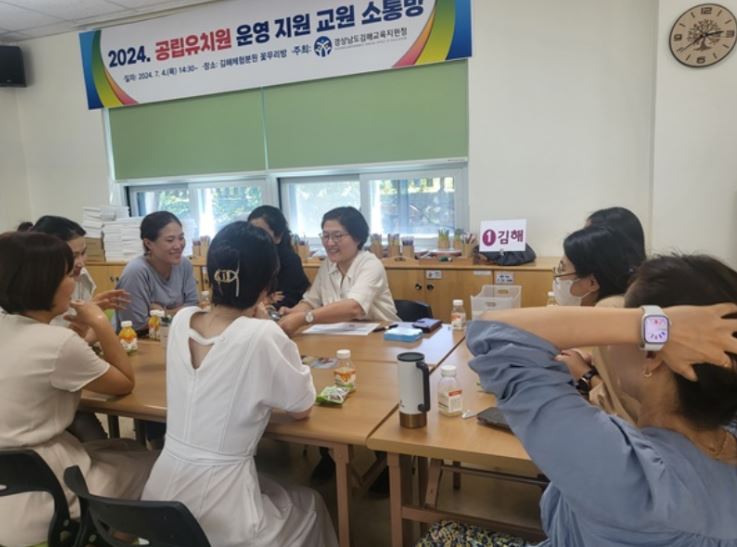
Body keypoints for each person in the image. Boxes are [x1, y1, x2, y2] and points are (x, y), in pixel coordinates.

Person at [468, 254, 737, 546]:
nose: (607, 344)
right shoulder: (724, 437)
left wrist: (656, 325)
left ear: (652, 353)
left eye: (632, 323)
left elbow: (494, 333)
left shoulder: (633, 474)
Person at [142, 222, 338, 547]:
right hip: (221, 509)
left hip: (159, 495)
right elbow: (301, 405)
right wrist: (263, 324)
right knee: (311, 505)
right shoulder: (262, 334)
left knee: (276, 489)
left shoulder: (180, 320)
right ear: (267, 286)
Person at [0, 231, 156, 547]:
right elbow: (124, 382)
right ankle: (110, 539)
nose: (75, 281)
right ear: (44, 283)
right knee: (156, 464)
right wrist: (100, 321)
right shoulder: (57, 343)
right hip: (43, 491)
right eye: (69, 274)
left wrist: (81, 329)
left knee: (126, 447)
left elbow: (56, 359)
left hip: (12, 479)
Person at [31, 215, 131, 441]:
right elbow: (123, 383)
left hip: (68, 374)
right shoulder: (39, 331)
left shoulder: (80, 278)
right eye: (72, 256)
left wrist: (89, 323)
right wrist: (98, 321)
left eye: (83, 253)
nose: (80, 263)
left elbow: (78, 340)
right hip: (45, 403)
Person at [554, 223, 646, 422]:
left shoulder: (609, 311)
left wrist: (584, 374)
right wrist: (596, 362)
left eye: (563, 270)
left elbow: (622, 410)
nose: (559, 279)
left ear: (592, 282)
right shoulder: (624, 300)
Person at [279, 206, 399, 336]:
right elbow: (311, 302)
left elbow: (354, 308)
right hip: (342, 336)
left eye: (337, 236)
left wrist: (304, 318)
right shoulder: (327, 265)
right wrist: (292, 313)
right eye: (325, 236)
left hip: (381, 335)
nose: (330, 243)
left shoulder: (370, 264)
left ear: (357, 238)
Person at [116, 211, 198, 333]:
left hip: (174, 334)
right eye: (170, 240)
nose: (178, 246)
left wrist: (163, 313)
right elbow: (137, 325)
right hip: (138, 339)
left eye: (181, 238)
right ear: (148, 243)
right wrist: (177, 312)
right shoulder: (136, 272)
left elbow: (193, 307)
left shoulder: (184, 264)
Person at [247, 205, 310, 309]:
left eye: (262, 233)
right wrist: (264, 300)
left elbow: (288, 300)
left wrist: (261, 304)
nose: (255, 237)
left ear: (278, 237)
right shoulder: (243, 258)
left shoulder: (290, 260)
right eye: (251, 231)